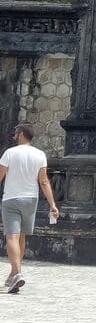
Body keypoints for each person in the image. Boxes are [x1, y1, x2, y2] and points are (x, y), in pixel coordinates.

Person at [1, 123, 59, 294]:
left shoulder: (10, 153)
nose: (13, 135)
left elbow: (0, 175)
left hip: (11, 199)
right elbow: (44, 181)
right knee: (22, 237)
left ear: (20, 134)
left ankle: (17, 273)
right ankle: (14, 272)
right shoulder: (40, 154)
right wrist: (52, 204)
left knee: (11, 237)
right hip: (30, 200)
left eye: (15, 132)